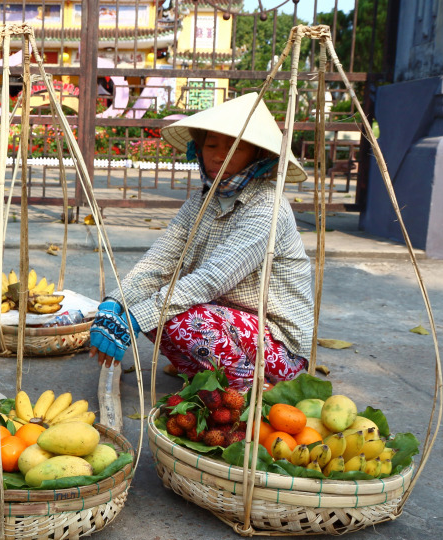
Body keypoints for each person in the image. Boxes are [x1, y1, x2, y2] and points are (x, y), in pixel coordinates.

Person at [89, 93, 313, 390]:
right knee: (151, 304)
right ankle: (208, 375)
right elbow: (160, 260)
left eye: (236, 148)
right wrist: (115, 303)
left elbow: (212, 278)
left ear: (257, 155)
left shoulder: (268, 207)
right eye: (211, 145)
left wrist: (134, 319)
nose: (219, 156)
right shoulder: (201, 201)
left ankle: (251, 391)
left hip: (278, 345)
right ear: (198, 147)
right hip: (225, 322)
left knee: (178, 319)